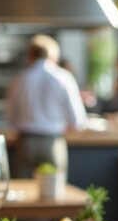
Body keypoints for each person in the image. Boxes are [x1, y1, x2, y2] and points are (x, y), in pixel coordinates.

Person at [6, 34, 88, 179]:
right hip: (53, 141)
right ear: (53, 55)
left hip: (26, 142)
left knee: (23, 189)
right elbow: (78, 121)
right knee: (53, 189)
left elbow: (10, 118)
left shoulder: (20, 79)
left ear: (30, 55)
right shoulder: (63, 77)